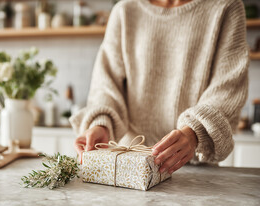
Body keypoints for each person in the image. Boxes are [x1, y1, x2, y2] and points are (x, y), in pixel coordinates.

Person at [70, 0, 249, 174]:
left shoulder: (226, 7)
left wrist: (195, 132)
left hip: (194, 170)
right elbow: (106, 84)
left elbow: (228, 86)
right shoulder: (125, 11)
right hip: (131, 166)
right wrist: (102, 125)